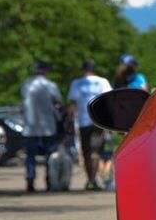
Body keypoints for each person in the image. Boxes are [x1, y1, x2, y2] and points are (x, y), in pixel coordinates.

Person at [67, 59, 112, 190]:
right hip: (99, 121)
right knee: (96, 151)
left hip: (83, 121)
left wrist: (70, 120)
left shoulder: (76, 83)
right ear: (94, 69)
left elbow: (72, 104)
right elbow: (109, 100)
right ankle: (93, 179)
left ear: (83, 69)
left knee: (86, 151)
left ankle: (90, 179)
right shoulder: (103, 81)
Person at [21, 59, 63, 192]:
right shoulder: (50, 85)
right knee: (49, 155)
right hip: (47, 125)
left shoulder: (26, 84)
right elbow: (58, 102)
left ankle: (30, 179)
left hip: (31, 125)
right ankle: (49, 180)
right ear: (46, 71)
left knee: (30, 155)